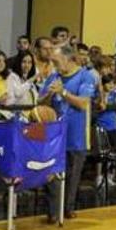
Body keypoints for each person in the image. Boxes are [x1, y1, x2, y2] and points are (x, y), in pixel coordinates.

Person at [40, 45, 95, 220]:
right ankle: (53, 211)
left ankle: (67, 208)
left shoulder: (85, 76)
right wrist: (49, 94)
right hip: (54, 134)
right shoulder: (54, 77)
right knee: (51, 173)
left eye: (56, 61)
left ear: (68, 58)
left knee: (71, 175)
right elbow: (41, 101)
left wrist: (63, 92)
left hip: (76, 135)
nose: (54, 65)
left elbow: (83, 103)